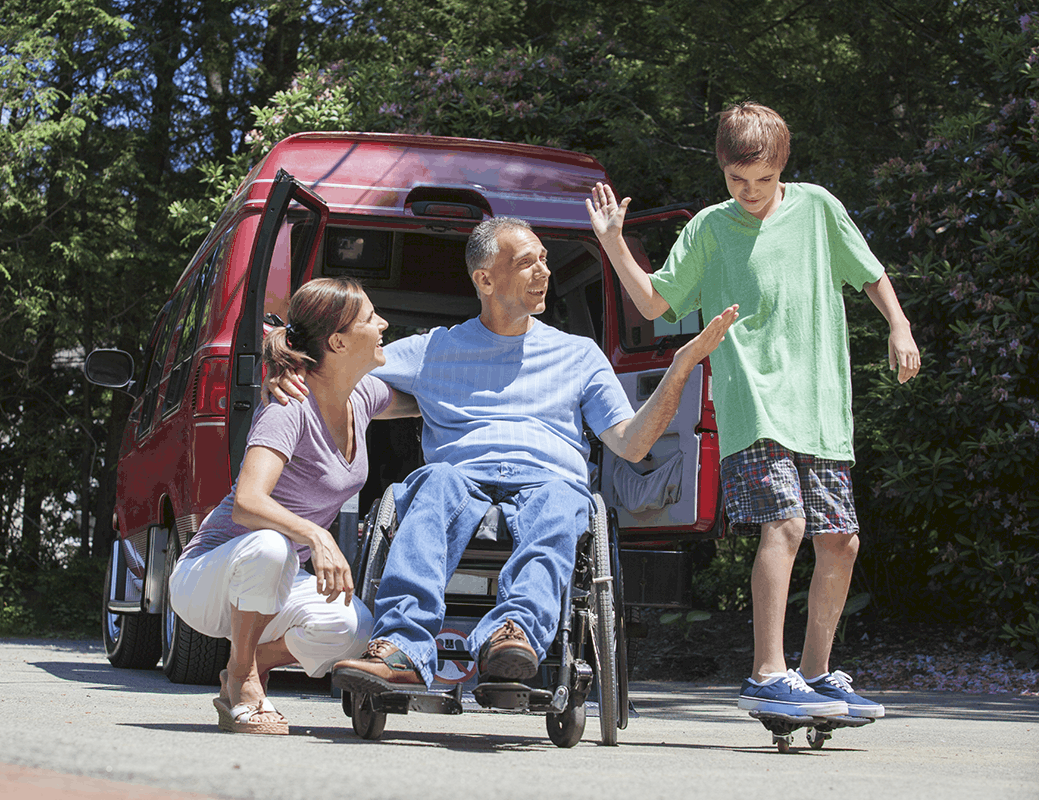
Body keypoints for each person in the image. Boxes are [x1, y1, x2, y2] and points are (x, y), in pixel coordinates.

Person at [270, 217, 738, 693]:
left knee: (563, 499)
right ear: (485, 279)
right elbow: (340, 378)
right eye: (526, 262)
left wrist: (680, 368)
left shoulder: (579, 354)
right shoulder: (434, 349)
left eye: (544, 259)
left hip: (548, 479)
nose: (543, 271)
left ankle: (512, 633)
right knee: (430, 484)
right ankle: (402, 646)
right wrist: (292, 375)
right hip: (458, 476)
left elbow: (632, 443)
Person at [586, 102, 921, 720]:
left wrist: (898, 324)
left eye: (762, 181)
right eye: (737, 181)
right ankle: (769, 670)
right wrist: (612, 242)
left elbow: (870, 273)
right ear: (723, 171)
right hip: (754, 401)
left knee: (841, 540)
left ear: (781, 168)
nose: (749, 192)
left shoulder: (817, 208)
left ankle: (817, 673)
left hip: (821, 404)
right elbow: (655, 304)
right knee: (786, 525)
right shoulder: (711, 229)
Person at [168, 277, 418, 734]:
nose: (382, 323)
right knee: (271, 544)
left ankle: (244, 665)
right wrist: (316, 534)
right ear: (339, 341)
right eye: (369, 317)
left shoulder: (361, 398)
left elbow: (426, 404)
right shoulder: (289, 406)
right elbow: (247, 502)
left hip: (272, 584)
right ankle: (245, 682)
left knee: (353, 628)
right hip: (208, 578)